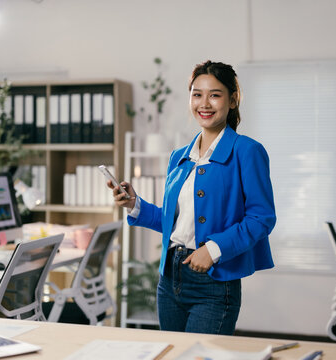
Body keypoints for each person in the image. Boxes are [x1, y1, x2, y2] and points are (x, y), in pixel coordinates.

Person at [108, 60, 276, 335]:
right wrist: (133, 204)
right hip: (169, 278)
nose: (204, 103)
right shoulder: (179, 156)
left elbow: (261, 218)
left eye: (215, 95)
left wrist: (212, 250)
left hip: (214, 281)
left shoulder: (247, 151)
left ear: (232, 100)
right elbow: (173, 221)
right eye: (197, 94)